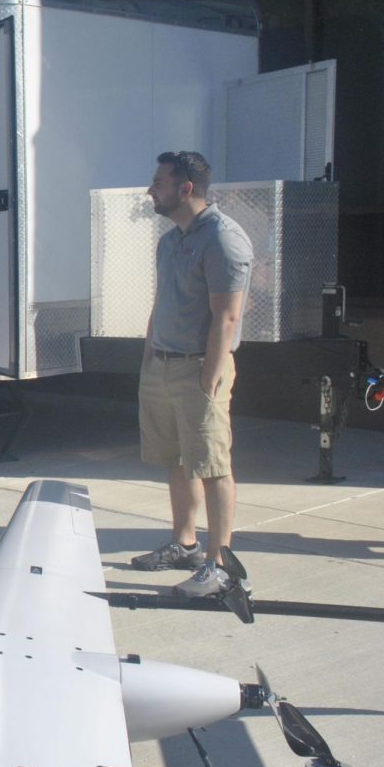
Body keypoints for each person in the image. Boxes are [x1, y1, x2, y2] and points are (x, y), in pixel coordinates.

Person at [130, 151, 253, 597]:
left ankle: (220, 564)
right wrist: (148, 358)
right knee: (177, 460)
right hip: (162, 366)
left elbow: (227, 318)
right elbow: (161, 304)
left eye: (159, 181)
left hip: (199, 370)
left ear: (186, 188)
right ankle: (185, 543)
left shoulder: (223, 239)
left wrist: (209, 379)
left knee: (214, 465)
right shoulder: (171, 240)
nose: (150, 189)